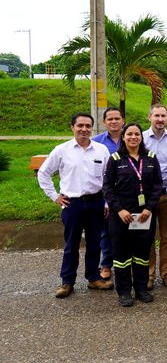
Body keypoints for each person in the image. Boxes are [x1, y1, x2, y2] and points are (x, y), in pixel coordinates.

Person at [38, 113, 113, 298]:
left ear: (92, 128)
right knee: (71, 244)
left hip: (96, 202)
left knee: (95, 243)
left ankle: (94, 278)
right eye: (80, 125)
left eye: (88, 126)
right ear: (72, 127)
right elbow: (43, 173)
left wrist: (106, 201)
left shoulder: (101, 150)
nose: (84, 129)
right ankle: (67, 281)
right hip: (73, 203)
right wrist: (55, 196)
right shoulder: (62, 150)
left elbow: (108, 178)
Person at [102, 123, 163, 306]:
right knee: (121, 256)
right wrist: (119, 209)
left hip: (144, 216)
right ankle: (124, 292)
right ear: (124, 137)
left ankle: (141, 289)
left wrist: (149, 208)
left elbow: (157, 186)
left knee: (142, 254)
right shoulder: (115, 159)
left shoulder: (151, 158)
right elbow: (107, 188)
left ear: (141, 137)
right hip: (121, 216)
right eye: (129, 134)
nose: (133, 137)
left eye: (137, 134)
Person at [143, 104, 167, 290]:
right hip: (146, 198)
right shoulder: (140, 138)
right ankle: (148, 274)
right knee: (147, 236)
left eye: (163, 116)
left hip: (166, 196)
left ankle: (166, 272)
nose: (160, 119)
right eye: (156, 115)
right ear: (149, 117)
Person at [92, 107, 124, 281]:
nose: (113, 121)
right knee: (106, 232)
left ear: (123, 120)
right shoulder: (96, 142)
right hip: (106, 193)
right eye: (110, 119)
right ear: (104, 122)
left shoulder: (130, 138)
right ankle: (106, 265)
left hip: (128, 193)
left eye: (117, 118)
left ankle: (126, 263)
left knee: (129, 231)